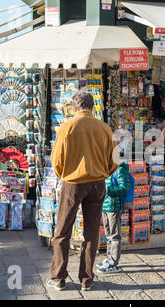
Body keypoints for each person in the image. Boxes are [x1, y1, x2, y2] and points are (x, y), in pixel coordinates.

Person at [47, 90, 119, 291]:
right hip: (97, 182)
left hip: (73, 183)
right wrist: (103, 172)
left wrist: (66, 174)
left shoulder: (67, 127)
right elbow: (115, 161)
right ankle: (87, 278)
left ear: (74, 107)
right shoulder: (104, 128)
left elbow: (57, 161)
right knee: (91, 231)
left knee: (62, 230)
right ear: (92, 107)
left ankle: (58, 277)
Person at [97, 161, 132, 273]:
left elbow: (125, 188)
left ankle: (113, 263)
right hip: (105, 206)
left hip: (114, 207)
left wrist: (108, 190)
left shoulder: (120, 169)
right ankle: (109, 258)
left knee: (114, 235)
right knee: (108, 235)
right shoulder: (105, 167)